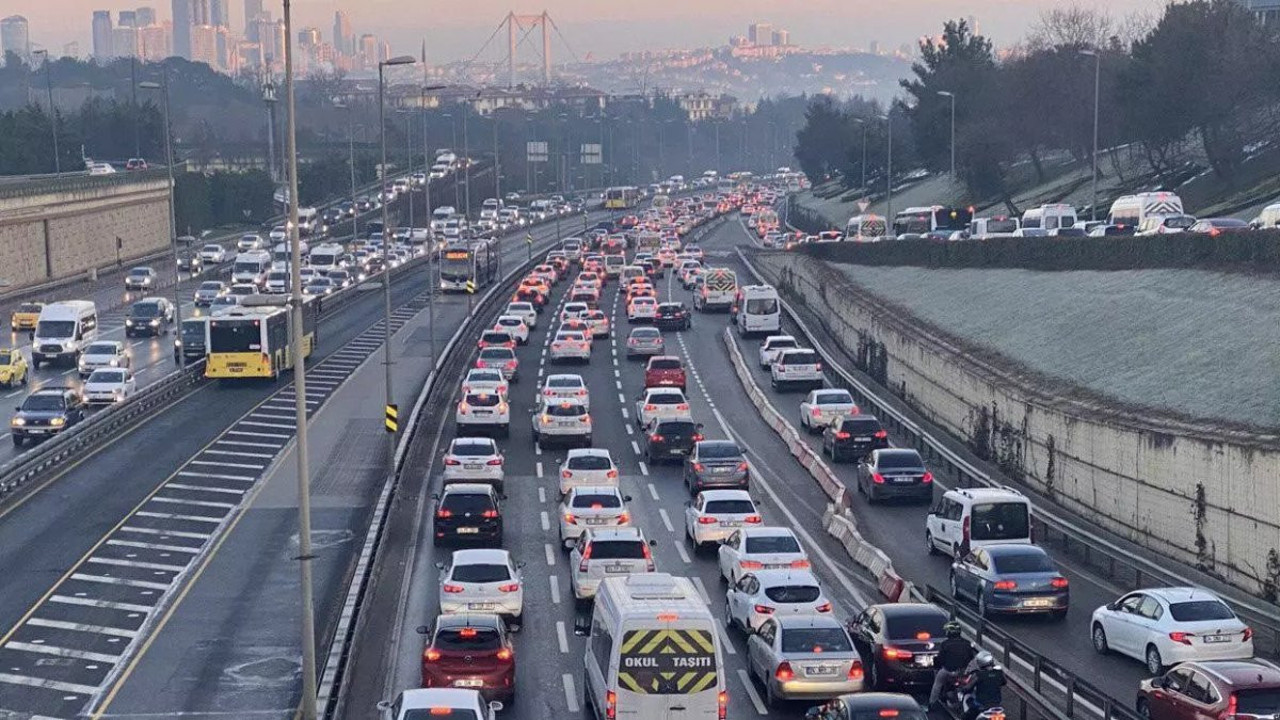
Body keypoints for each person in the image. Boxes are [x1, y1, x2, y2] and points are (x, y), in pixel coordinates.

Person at [930, 621, 975, 708]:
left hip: (948, 671)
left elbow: (940, 659)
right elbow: (971, 657)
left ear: (949, 632)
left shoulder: (945, 644)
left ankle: (932, 703)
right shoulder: (967, 643)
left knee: (937, 683)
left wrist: (937, 665)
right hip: (963, 671)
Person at [960, 652, 1006, 720]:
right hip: (996, 705)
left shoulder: (978, 675)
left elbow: (968, 687)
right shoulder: (999, 673)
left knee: (965, 717)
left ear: (981, 662)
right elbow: (1004, 682)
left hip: (981, 705)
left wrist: (962, 689)